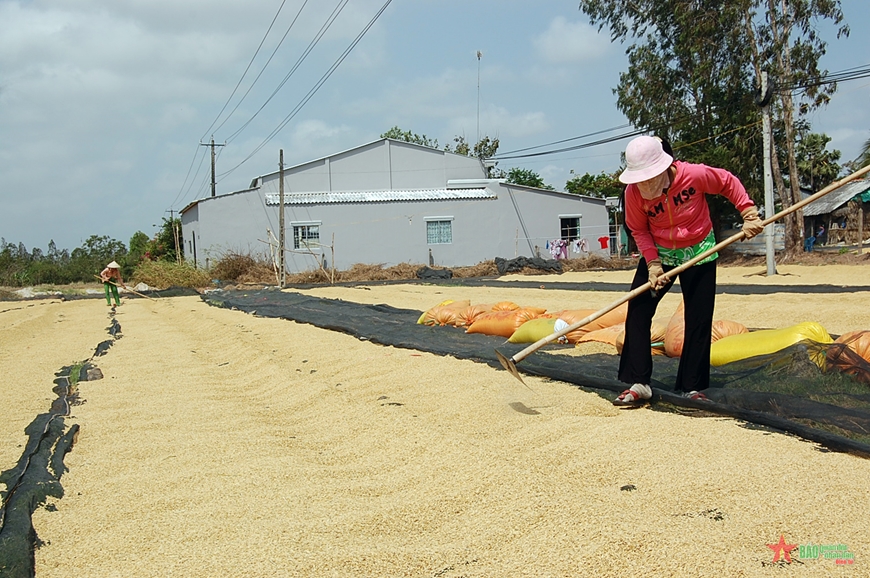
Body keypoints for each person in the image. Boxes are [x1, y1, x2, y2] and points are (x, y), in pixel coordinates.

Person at [612, 135, 764, 405]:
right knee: (638, 310)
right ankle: (640, 382)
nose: (644, 184)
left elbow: (727, 181)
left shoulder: (693, 175)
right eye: (639, 178)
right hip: (661, 253)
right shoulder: (633, 193)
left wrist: (748, 212)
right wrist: (653, 263)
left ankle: (691, 387)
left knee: (698, 317)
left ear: (663, 167)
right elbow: (638, 229)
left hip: (699, 250)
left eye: (649, 178)